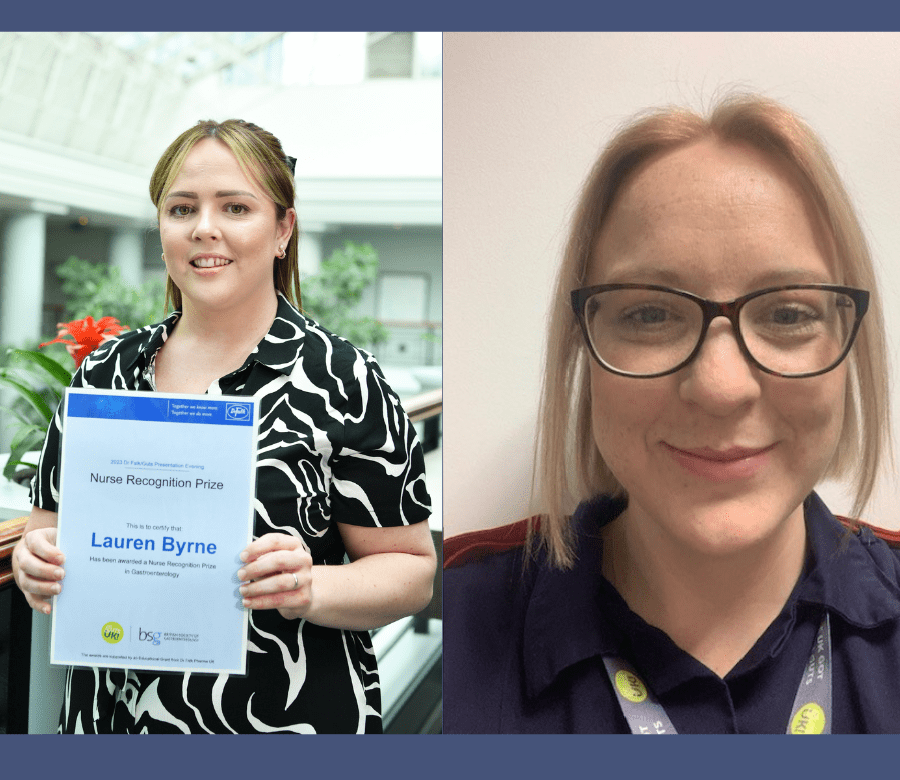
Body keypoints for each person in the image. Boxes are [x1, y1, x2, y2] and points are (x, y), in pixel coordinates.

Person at [443, 93, 900, 733]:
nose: (719, 386)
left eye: (789, 314)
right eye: (651, 314)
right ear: (581, 346)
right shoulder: (450, 623)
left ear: (853, 345)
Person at [12, 119, 436, 734]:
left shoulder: (344, 380)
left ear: (283, 229)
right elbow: (48, 532)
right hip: (112, 719)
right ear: (162, 229)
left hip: (286, 720)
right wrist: (35, 562)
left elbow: (412, 571)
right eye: (182, 208)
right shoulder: (104, 373)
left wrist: (308, 585)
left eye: (235, 207)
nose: (204, 227)